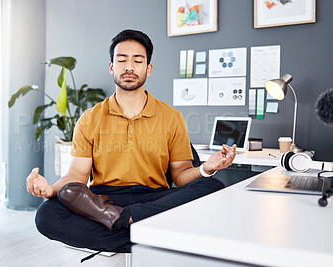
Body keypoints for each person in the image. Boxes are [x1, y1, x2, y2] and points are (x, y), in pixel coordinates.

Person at [29, 29, 236, 253]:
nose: (129, 67)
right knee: (47, 215)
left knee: (213, 187)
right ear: (112, 67)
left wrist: (206, 169)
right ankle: (148, 236)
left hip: (153, 197)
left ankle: (123, 220)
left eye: (138, 60)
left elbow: (181, 176)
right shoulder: (90, 118)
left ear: (148, 69)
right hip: (102, 199)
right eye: (121, 60)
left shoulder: (171, 117)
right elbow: (77, 176)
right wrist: (50, 190)